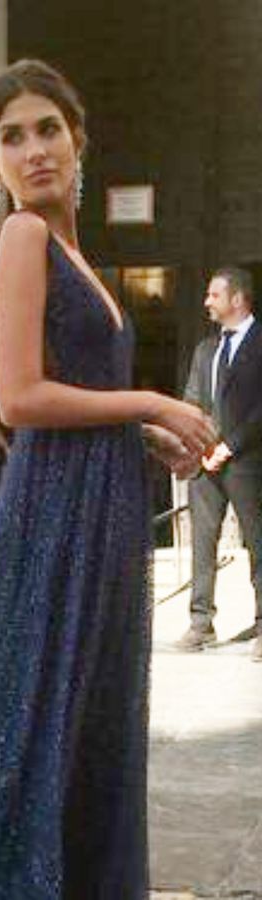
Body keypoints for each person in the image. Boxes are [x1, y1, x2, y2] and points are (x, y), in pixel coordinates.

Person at [0, 60, 213, 898]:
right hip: (53, 516)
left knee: (77, 713)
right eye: (10, 138)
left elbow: (75, 394)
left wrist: (138, 433)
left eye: (47, 129)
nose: (33, 150)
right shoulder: (23, 237)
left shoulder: (73, 253)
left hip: (96, 506)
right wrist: (155, 398)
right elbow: (17, 398)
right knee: (29, 716)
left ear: (78, 139)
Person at [178, 268, 262, 660]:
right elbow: (193, 399)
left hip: (248, 462)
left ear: (238, 299)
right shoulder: (205, 349)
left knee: (257, 543)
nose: (207, 302)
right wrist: (195, 443)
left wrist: (231, 444)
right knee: (202, 541)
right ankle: (200, 622)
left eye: (214, 295)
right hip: (204, 462)